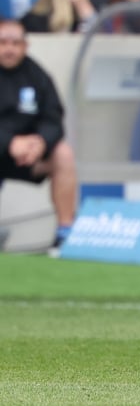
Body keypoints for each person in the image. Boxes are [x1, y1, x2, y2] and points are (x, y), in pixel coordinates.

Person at [0, 19, 78, 249]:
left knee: (62, 153)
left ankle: (64, 233)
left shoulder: (37, 75)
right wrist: (9, 142)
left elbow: (53, 117)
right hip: (4, 148)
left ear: (26, 45)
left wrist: (42, 143)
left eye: (16, 43)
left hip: (29, 156)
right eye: (3, 42)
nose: (9, 48)